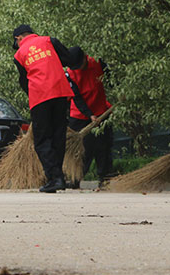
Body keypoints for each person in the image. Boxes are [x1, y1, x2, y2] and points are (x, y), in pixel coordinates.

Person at [12, 24, 79, 193]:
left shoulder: (19, 54)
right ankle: (58, 177)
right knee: (58, 135)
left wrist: (32, 96)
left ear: (18, 38)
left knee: (42, 140)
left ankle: (55, 178)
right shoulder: (50, 41)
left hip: (40, 97)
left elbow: (24, 81)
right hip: (61, 92)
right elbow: (69, 60)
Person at [65, 48, 113, 188]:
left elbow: (111, 79)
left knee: (104, 146)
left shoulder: (98, 63)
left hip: (101, 111)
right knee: (82, 150)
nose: (78, 68)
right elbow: (77, 98)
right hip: (80, 115)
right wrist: (89, 115)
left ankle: (105, 179)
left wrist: (120, 92)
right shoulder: (70, 74)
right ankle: (74, 179)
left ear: (85, 58)